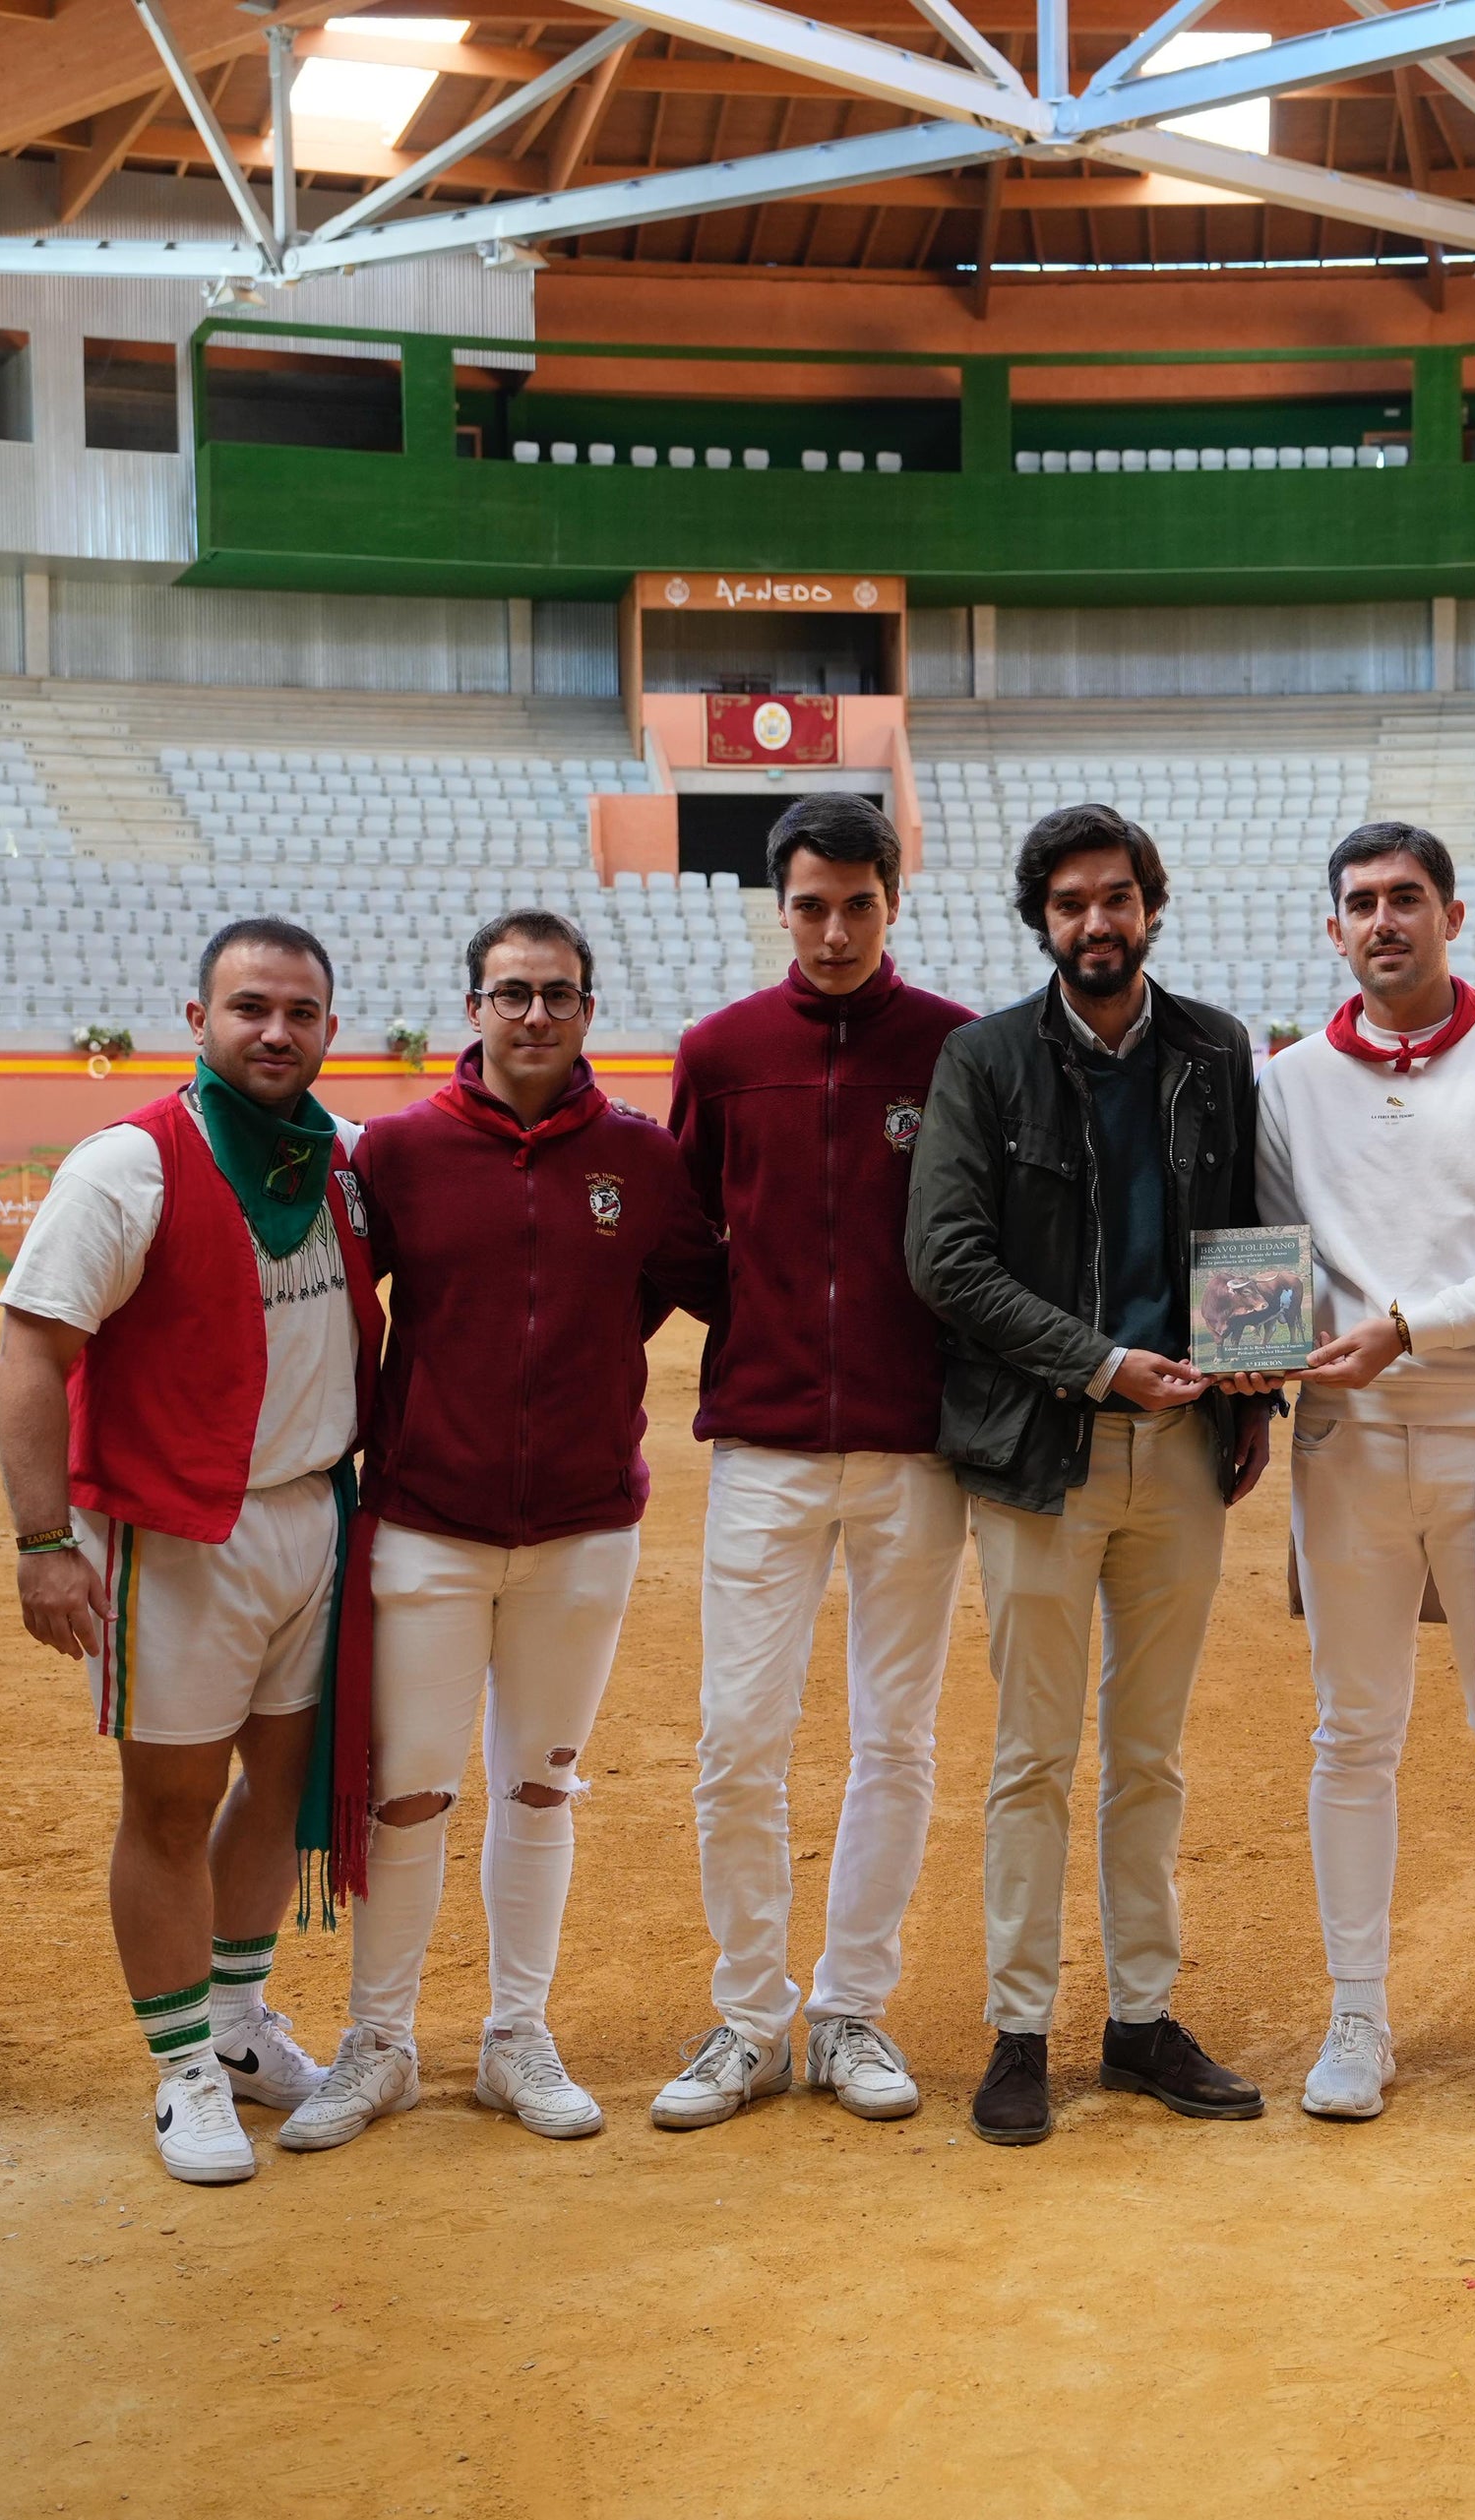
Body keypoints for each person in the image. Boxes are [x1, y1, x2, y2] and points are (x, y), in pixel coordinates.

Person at [277, 909, 722, 2151]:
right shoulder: (400, 1152)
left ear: (590, 1009)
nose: (536, 1013)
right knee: (409, 1793)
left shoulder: (640, 1154)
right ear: (472, 1006)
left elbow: (709, 1285)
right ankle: (380, 2040)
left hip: (584, 1527)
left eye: (560, 993)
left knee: (541, 1786)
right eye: (512, 991)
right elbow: (309, 1301)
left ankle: (516, 2035)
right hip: (427, 1520)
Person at [904, 801, 1273, 2148]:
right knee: (1031, 1754)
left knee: (1152, 1752)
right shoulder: (984, 1060)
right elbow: (946, 1260)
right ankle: (1018, 2028)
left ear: (1151, 907)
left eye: (1117, 898)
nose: (1097, 922)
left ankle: (1137, 2019)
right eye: (1071, 904)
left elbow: (1248, 1235)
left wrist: (1253, 1385)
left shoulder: (1214, 1050)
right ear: (1040, 919)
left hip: (1181, 1450)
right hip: (1042, 1450)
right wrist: (1099, 1362)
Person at [0, 918, 376, 2187]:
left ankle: (233, 2021)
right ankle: (181, 2070)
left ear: (331, 1027)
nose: (275, 1031)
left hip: (312, 1514)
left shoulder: (343, 1164)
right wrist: (46, 1541)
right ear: (197, 1019)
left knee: (281, 1782)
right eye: (249, 1007)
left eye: (301, 1012)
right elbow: (31, 1352)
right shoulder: (129, 1165)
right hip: (175, 1529)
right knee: (168, 1801)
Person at [1256, 821, 1475, 2126]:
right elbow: (1264, 1250)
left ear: (1454, 912)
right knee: (1353, 1729)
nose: (1385, 919)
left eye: (1408, 897)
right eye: (1361, 901)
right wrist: (1257, 1354)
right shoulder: (1288, 1082)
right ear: (1333, 928)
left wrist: (1411, 1327)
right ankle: (1358, 2014)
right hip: (1344, 1443)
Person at [654, 793, 976, 2131]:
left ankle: (849, 2008)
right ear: (776, 908)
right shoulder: (719, 1051)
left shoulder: (959, 1048)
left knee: (894, 1739)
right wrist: (767, 1325)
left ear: (894, 902)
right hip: (766, 1446)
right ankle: (747, 2017)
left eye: (858, 903)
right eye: (809, 905)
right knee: (739, 1740)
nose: (833, 930)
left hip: (917, 1450)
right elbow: (676, 1231)